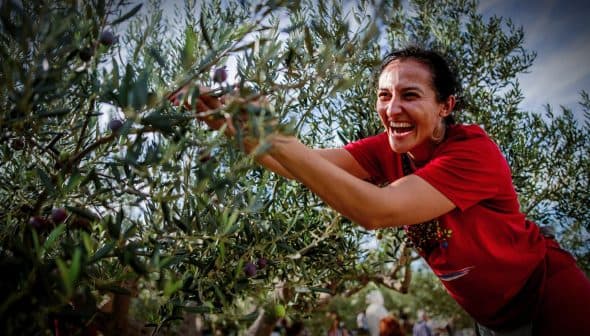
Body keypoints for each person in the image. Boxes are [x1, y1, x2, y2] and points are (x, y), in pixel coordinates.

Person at [169, 46, 590, 335]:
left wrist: (271, 133)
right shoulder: (389, 148)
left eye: (410, 95)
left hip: (549, 299)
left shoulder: (472, 153)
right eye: (384, 96)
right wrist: (231, 124)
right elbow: (297, 165)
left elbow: (377, 210)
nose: (392, 110)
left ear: (446, 106)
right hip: (491, 317)